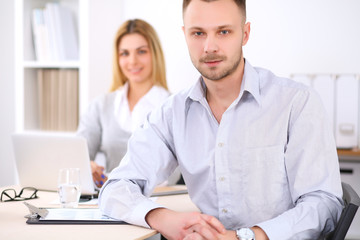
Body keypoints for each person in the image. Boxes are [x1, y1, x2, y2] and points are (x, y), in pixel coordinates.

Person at [99, 0, 344, 239]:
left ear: (245, 34)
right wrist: (161, 216)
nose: (209, 47)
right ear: (185, 35)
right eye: (198, 33)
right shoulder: (172, 113)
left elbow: (324, 204)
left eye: (224, 32)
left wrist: (245, 237)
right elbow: (116, 188)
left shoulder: (296, 103)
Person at [77, 19, 170, 188]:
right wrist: (86, 167)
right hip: (112, 199)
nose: (132, 61)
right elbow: (76, 156)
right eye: (124, 53)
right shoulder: (101, 105)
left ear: (154, 54)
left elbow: (180, 171)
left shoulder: (172, 106)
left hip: (161, 201)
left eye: (141, 52)